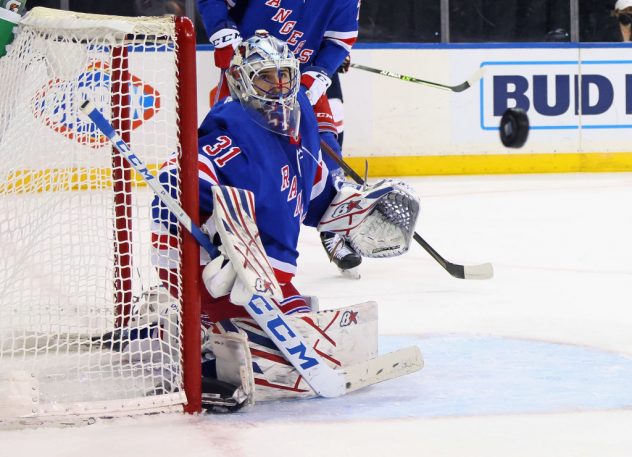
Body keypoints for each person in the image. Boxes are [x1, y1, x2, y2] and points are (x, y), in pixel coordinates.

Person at [150, 32, 420, 410]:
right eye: (265, 77)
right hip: (209, 265)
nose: (279, 87)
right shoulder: (231, 124)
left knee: (309, 340)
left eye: (285, 76)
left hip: (265, 273)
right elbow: (175, 180)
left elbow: (315, 195)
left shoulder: (300, 118)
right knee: (272, 359)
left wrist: (351, 208)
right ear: (242, 81)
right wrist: (219, 239)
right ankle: (196, 339)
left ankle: (203, 328)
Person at [197, 0, 363, 278]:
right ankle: (228, 234)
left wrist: (321, 73)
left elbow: (340, 38)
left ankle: (334, 232)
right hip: (250, 75)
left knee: (327, 151)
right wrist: (223, 33)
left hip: (296, 78)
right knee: (239, 155)